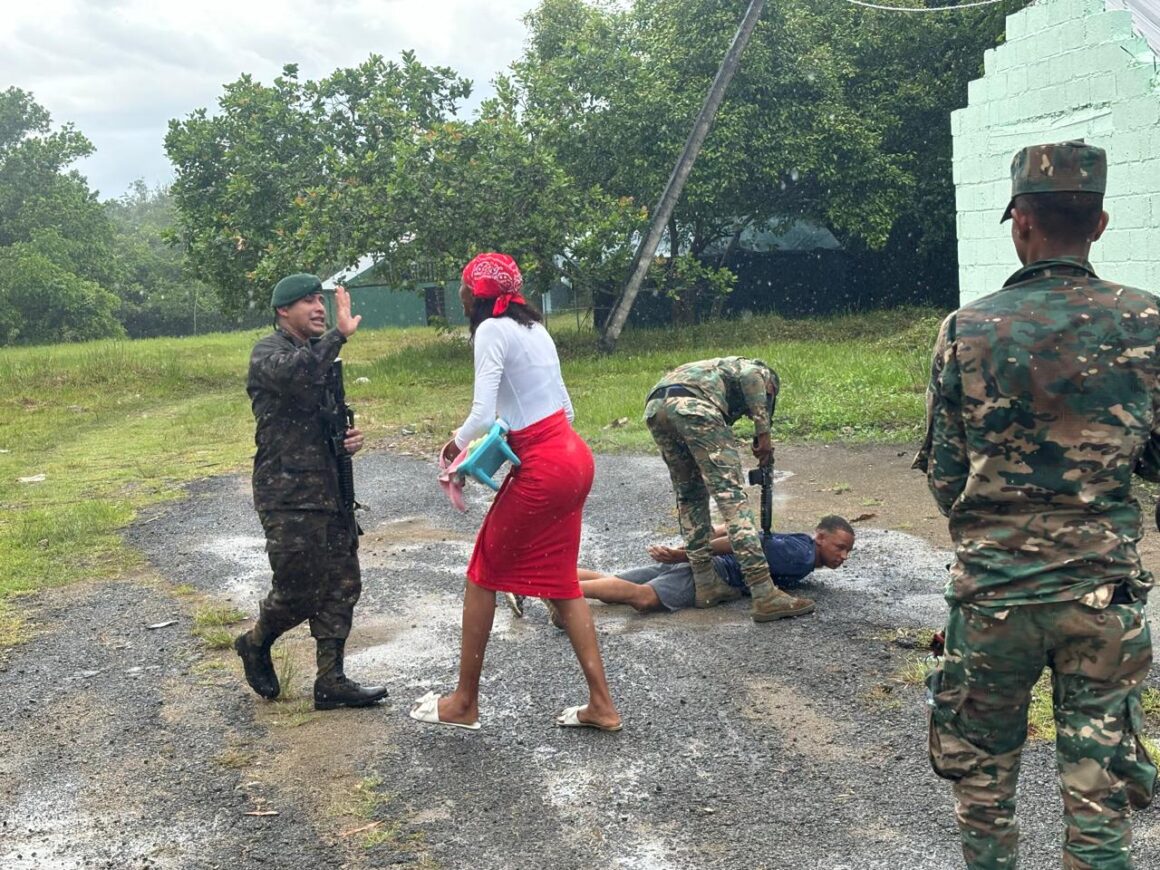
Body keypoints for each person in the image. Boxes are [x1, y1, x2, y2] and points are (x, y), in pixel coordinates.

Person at [915, 141, 1158, 868]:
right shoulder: (1147, 322)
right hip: (1101, 594)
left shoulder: (965, 330)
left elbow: (944, 474)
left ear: (1021, 221)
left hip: (993, 596)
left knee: (984, 787)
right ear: (1102, 222)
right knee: (1098, 794)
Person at [410, 252, 621, 732]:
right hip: (573, 456)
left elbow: (483, 413)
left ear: (473, 294)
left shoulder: (490, 330)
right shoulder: (534, 327)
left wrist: (456, 448)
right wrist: (513, 442)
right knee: (563, 582)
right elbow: (563, 407)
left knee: (483, 573)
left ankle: (464, 702)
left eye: (462, 285)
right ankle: (602, 706)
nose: (459, 293)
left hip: (545, 466)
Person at [234, 274, 387, 711]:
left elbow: (323, 413)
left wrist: (345, 439)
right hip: (288, 492)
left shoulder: (318, 356)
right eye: (307, 302)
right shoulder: (270, 353)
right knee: (298, 588)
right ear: (283, 311)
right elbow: (298, 376)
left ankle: (331, 680)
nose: (319, 308)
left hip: (330, 488)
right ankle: (255, 642)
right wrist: (340, 334)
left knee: (342, 583)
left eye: (320, 301)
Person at [645, 357, 814, 622]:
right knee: (732, 501)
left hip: (657, 407)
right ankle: (764, 592)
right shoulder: (757, 370)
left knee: (690, 496)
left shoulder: (713, 372)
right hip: (694, 407)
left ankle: (706, 584)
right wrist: (763, 433)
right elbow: (752, 378)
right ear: (771, 388)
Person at [572, 516, 854, 616]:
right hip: (715, 571)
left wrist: (689, 551)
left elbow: (741, 533)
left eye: (848, 551)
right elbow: (747, 542)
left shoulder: (799, 545)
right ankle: (559, 594)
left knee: (612, 581)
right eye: (840, 547)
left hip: (706, 564)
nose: (843, 556)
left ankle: (538, 579)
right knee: (642, 597)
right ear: (820, 537)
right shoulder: (802, 555)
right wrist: (688, 555)